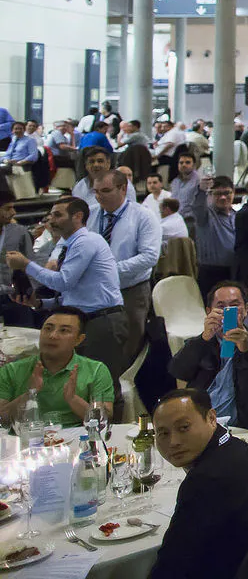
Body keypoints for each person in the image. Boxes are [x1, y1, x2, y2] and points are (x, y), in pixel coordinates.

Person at [148, 388, 248, 579]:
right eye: (163, 433)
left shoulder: (207, 479)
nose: (173, 442)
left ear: (212, 418)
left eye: (184, 428)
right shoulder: (235, 448)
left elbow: (171, 566)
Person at [6, 197, 129, 382]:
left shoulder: (86, 241)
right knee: (79, 384)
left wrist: (26, 264)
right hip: (86, 319)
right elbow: (70, 295)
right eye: (51, 215)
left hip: (102, 321)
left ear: (77, 216)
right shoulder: (69, 244)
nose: (51, 220)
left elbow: (63, 282)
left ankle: (109, 413)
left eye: (57, 215)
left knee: (102, 386)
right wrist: (39, 303)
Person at [167, 282, 248, 434]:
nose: (228, 311)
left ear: (246, 309)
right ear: (209, 311)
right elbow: (177, 371)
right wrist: (203, 339)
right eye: (220, 306)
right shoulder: (200, 343)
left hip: (244, 429)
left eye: (235, 305)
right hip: (200, 426)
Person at [89, 168, 161, 359]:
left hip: (130, 292)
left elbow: (149, 257)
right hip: (95, 292)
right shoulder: (90, 214)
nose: (98, 197)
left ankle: (123, 387)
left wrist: (110, 271)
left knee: (127, 349)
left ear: (122, 188)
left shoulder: (143, 216)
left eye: (104, 191)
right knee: (96, 348)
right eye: (95, 191)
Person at [0, 307, 113, 427]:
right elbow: (2, 419)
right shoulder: (11, 370)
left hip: (78, 440)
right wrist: (29, 394)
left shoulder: (96, 370)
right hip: (26, 439)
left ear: (79, 340)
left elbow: (103, 420)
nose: (52, 336)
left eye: (64, 331)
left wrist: (73, 399)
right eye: (48, 329)